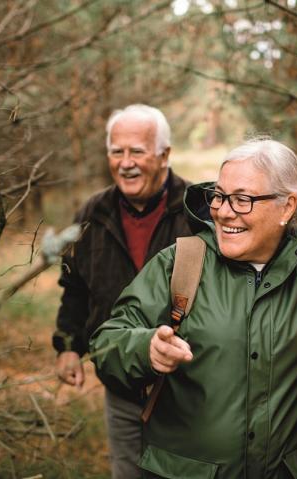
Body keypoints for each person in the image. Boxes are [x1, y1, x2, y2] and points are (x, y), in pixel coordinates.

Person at [90, 138, 297, 478]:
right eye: (218, 196)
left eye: (242, 199)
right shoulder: (181, 264)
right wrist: (146, 349)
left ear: (287, 207)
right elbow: (107, 342)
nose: (224, 211)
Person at [52, 104, 192, 478]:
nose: (125, 162)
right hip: (121, 383)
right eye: (117, 151)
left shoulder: (198, 213)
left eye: (137, 151)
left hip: (189, 389)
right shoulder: (91, 214)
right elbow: (75, 288)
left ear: (164, 156)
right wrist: (68, 347)